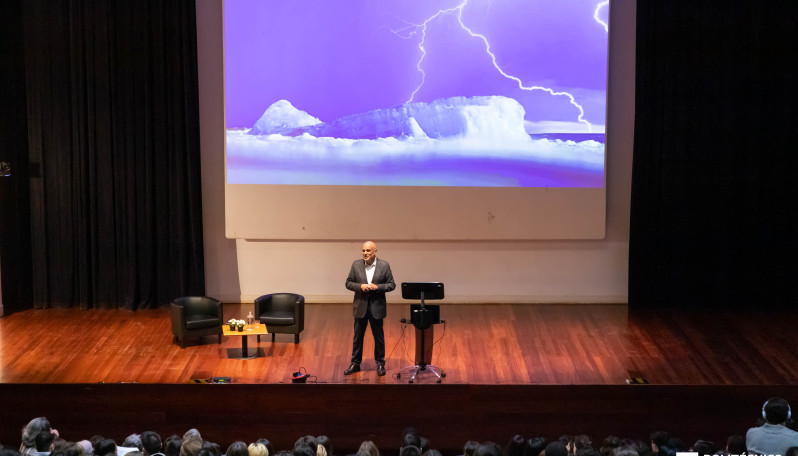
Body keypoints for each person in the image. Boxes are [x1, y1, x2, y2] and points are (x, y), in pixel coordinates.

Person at [344, 241, 396, 376]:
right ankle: (355, 363)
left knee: (378, 337)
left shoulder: (384, 265)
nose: (365, 253)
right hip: (360, 306)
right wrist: (360, 286)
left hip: (376, 307)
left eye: (368, 251)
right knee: (358, 337)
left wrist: (377, 287)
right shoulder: (356, 265)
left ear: (375, 251)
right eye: (363, 251)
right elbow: (348, 283)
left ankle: (380, 364)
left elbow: (391, 285)